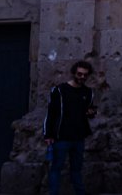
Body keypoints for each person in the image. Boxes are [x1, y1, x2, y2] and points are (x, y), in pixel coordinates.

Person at [42, 60, 96, 195]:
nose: (82, 77)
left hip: (79, 138)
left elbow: (89, 111)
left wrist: (91, 113)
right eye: (79, 74)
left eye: (85, 75)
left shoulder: (88, 92)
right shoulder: (59, 90)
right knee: (56, 168)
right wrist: (48, 135)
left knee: (77, 170)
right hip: (61, 137)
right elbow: (51, 113)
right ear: (74, 73)